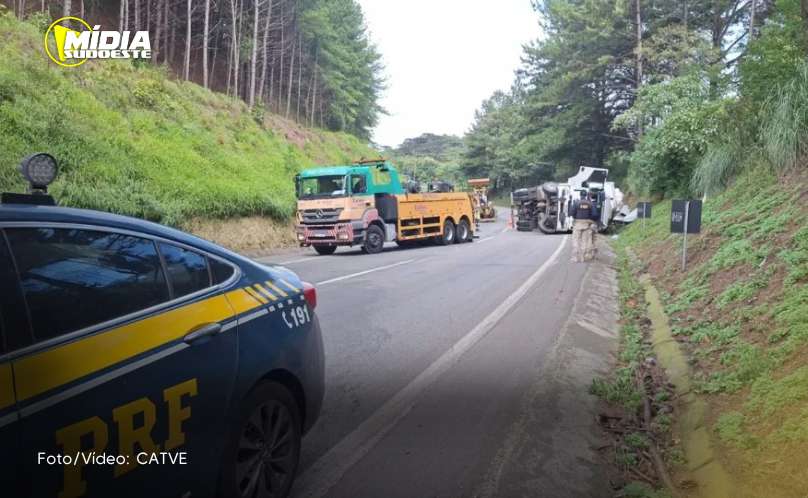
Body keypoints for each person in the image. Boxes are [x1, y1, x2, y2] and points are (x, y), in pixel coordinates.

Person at [570, 191, 597, 262]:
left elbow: (572, 213)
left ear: (580, 195)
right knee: (584, 241)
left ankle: (575, 257)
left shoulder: (576, 203)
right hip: (587, 224)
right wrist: (589, 219)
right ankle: (582, 257)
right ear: (586, 195)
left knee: (576, 240)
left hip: (578, 223)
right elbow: (594, 214)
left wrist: (576, 217)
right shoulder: (590, 203)